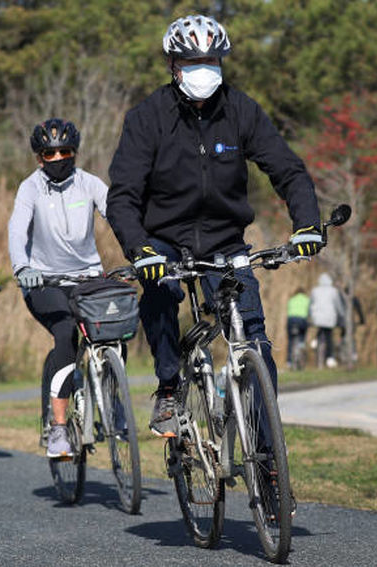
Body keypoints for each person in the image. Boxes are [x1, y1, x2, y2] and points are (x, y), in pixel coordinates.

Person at [106, 14, 322, 438]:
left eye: (212, 60)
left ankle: (267, 458)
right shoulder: (147, 117)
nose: (203, 69)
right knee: (160, 291)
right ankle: (169, 388)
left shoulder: (241, 110)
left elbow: (288, 170)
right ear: (173, 65)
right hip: (164, 240)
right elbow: (123, 195)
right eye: (192, 61)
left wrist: (307, 225)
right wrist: (139, 249)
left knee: (253, 338)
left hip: (225, 241)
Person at [8, 118, 110, 458]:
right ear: (39, 158)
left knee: (114, 328)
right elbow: (17, 231)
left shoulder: (90, 184)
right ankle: (59, 428)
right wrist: (22, 267)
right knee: (65, 333)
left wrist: (140, 252)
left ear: (75, 153)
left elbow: (119, 216)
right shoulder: (30, 188)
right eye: (49, 154)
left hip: (87, 276)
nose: (57, 159)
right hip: (43, 280)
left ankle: (113, 402)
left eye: (65, 152)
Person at [309, 273, 345, 368]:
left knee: (320, 329)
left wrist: (309, 316)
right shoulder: (334, 291)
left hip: (317, 317)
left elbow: (311, 304)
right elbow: (338, 306)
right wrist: (342, 315)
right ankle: (330, 358)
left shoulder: (315, 290)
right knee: (329, 337)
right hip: (330, 318)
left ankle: (316, 341)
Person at [286, 288, 310, 368]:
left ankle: (289, 361)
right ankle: (301, 345)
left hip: (291, 320)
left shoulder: (291, 299)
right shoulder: (307, 299)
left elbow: (289, 310)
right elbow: (309, 311)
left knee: (290, 340)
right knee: (302, 336)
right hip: (301, 321)